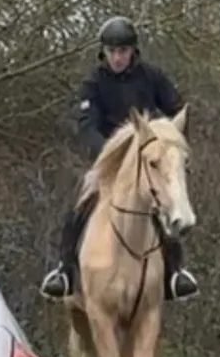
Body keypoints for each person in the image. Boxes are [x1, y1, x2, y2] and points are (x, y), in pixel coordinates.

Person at [39, 15, 199, 302]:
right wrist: (108, 153)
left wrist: (170, 142)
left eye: (122, 51)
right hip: (109, 161)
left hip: (149, 162)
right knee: (80, 201)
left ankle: (176, 273)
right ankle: (64, 271)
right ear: (104, 52)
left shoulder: (152, 76)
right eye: (112, 52)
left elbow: (177, 108)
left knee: (168, 204)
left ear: (132, 51)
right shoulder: (93, 83)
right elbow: (86, 125)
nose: (117, 57)